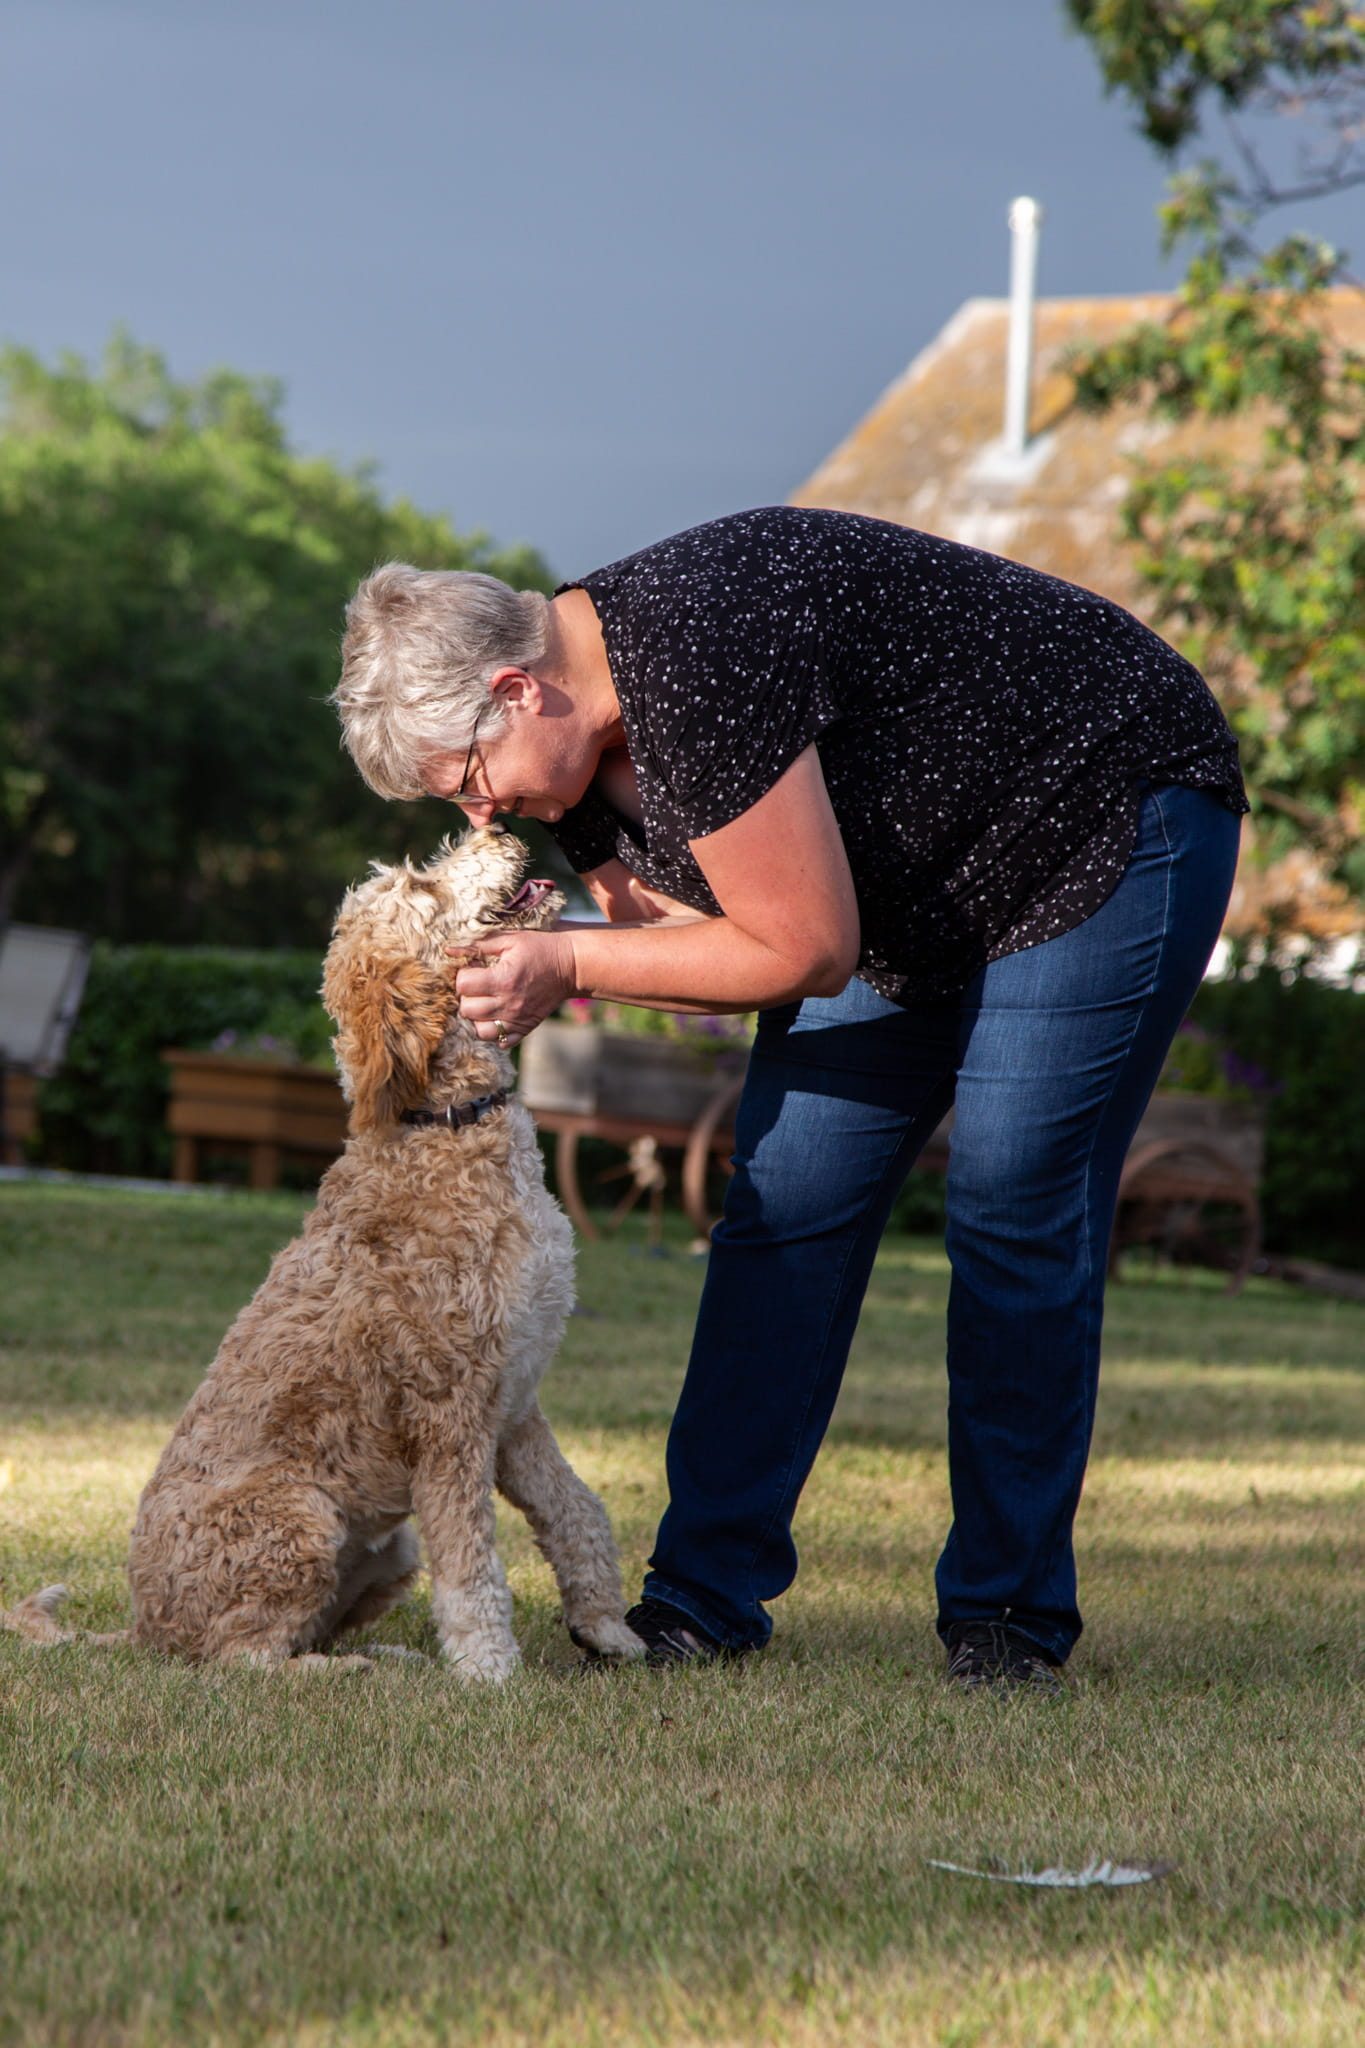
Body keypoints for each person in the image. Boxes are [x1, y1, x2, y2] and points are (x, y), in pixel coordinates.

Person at [332, 505, 1246, 1692]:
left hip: (1096, 815)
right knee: (783, 1213)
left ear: (517, 688)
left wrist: (564, 961)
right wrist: (561, 944)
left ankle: (1007, 1623)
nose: (479, 813)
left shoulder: (700, 652)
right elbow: (682, 939)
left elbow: (804, 949)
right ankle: (703, 1603)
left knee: (1012, 1207)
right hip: (898, 891)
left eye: (465, 779)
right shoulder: (567, 762)